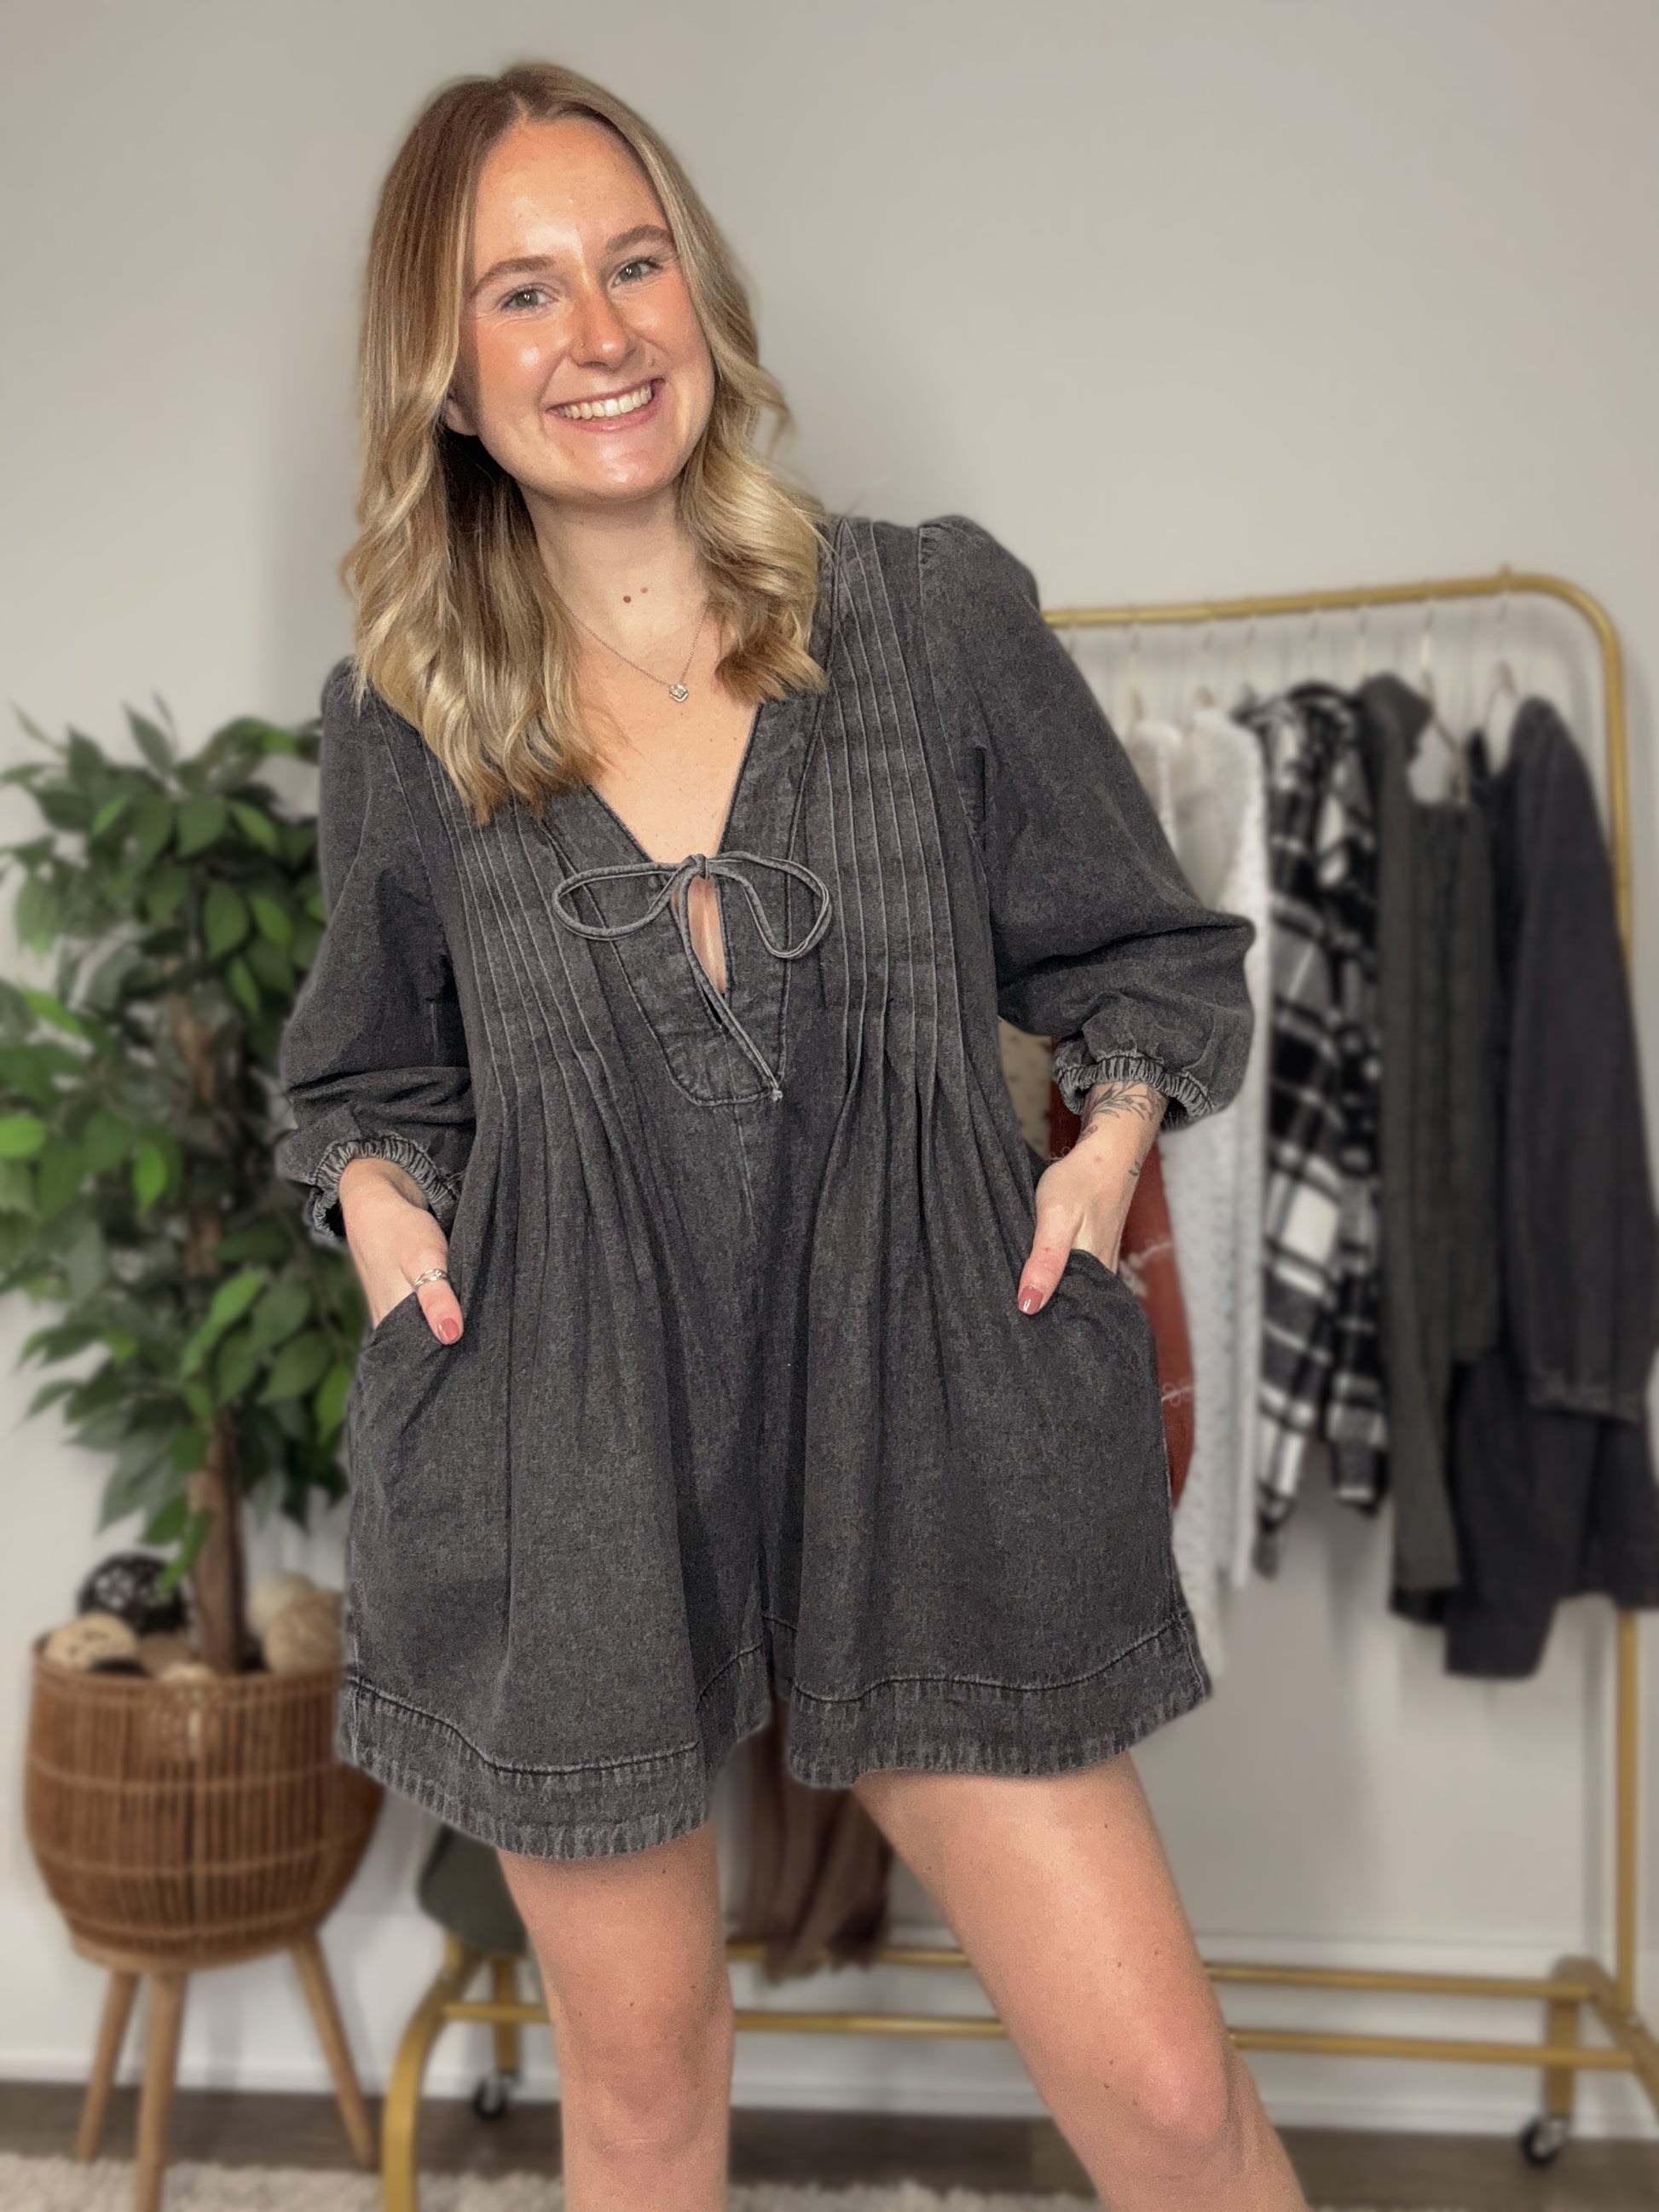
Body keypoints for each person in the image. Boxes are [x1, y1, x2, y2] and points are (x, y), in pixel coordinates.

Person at [275, 60, 1306, 2212]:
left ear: (702, 294)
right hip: (566, 1435)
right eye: (524, 293)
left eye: (634, 263)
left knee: (1166, 2094)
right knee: (645, 2092)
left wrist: (1102, 1142)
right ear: (445, 375)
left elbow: (1145, 945)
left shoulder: (924, 614)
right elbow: (365, 1071)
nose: (600, 332)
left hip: (926, 1399)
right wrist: (381, 1209)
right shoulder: (407, 716)